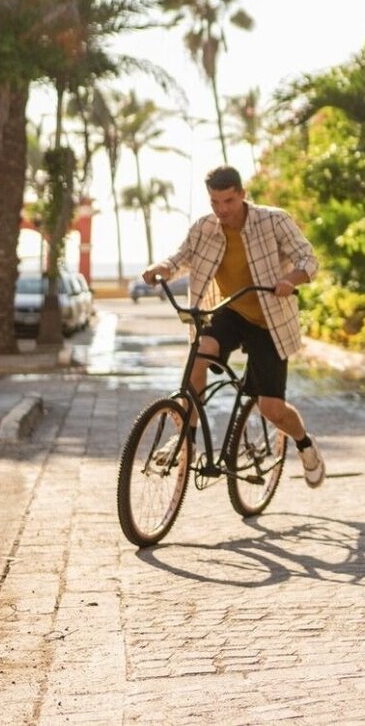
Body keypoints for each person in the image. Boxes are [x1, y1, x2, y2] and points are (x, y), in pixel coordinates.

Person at [141, 166, 327, 489]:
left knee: (271, 409)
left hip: (270, 320)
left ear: (242, 194)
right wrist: (162, 268)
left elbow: (308, 260)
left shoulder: (273, 220)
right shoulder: (205, 228)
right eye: (215, 202)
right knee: (201, 353)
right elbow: (181, 258)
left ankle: (305, 444)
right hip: (232, 311)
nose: (222, 210)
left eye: (228, 201)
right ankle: (187, 439)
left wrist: (289, 279)